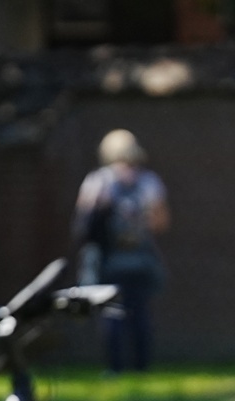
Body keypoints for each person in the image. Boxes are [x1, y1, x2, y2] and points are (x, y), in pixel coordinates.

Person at [72, 129, 169, 372]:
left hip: (109, 259)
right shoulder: (148, 181)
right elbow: (160, 223)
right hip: (140, 258)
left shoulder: (98, 180)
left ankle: (115, 368)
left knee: (111, 312)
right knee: (140, 312)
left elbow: (83, 220)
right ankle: (141, 366)